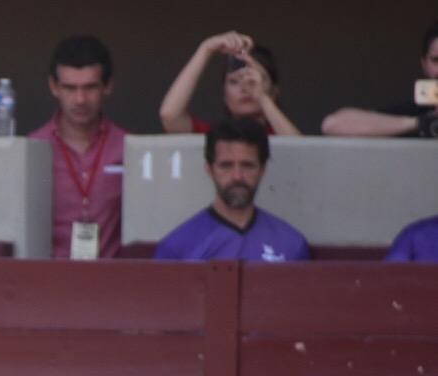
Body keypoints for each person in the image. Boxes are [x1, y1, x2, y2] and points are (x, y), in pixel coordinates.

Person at [28, 35, 128, 260]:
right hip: (48, 282)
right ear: (54, 87)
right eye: (70, 88)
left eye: (90, 87)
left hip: (113, 282)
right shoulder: (33, 149)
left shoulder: (128, 147)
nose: (80, 99)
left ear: (108, 85)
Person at [154, 118, 309, 262]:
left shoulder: (292, 245)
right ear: (210, 170)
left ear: (262, 170)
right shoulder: (176, 249)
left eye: (247, 165)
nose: (237, 176)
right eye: (226, 165)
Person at [158, 32, 300, 137]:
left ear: (274, 92)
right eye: (234, 81)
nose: (245, 88)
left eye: (254, 80)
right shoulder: (214, 136)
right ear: (224, 94)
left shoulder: (283, 135)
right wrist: (206, 49)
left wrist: (262, 99)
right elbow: (170, 116)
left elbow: (302, 151)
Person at [322, 21, 438, 138]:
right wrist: (422, 123)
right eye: (436, 60)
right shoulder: (417, 114)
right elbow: (333, 124)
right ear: (424, 65)